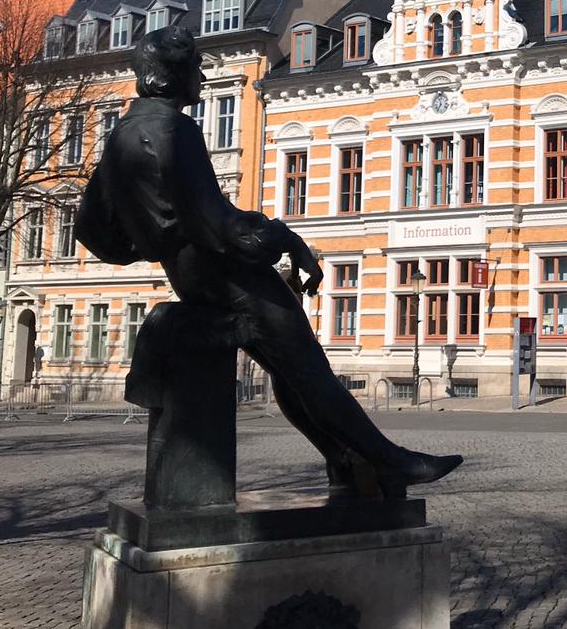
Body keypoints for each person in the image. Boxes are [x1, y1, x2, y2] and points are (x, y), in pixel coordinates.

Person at [76, 27, 461, 498]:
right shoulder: (174, 129)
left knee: (287, 371)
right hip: (230, 276)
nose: (201, 76)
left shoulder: (123, 133)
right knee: (306, 369)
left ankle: (345, 459)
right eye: (197, 68)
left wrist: (155, 240)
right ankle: (386, 461)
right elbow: (221, 226)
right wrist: (284, 238)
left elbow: (93, 229)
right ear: (177, 74)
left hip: (189, 277)